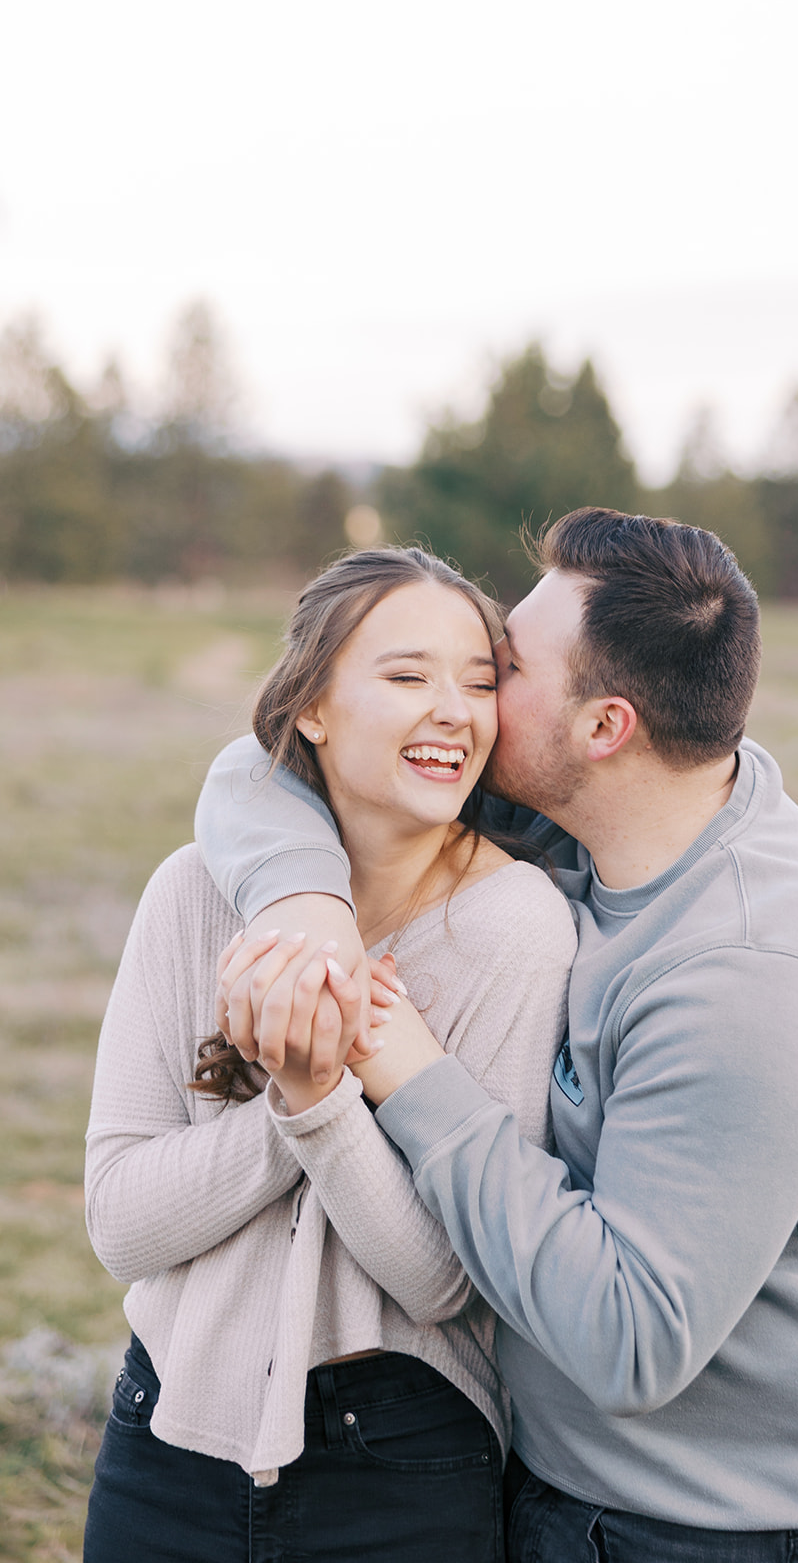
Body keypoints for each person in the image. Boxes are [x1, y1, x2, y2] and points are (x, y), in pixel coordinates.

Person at [197, 508, 798, 1563]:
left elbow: (629, 1343)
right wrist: (305, 903)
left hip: (709, 1529)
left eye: (499, 671)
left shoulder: (754, 981)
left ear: (604, 728)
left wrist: (414, 1074)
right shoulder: (618, 813)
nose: (467, 702)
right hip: (558, 1476)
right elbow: (260, 766)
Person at [83, 548, 576, 1563]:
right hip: (165, 1433)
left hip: (401, 1457)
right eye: (406, 675)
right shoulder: (191, 893)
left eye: (478, 682)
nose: (453, 712)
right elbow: (122, 1225)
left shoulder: (515, 927)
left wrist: (316, 1093)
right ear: (311, 705)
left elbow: (442, 1283)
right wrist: (300, 1104)